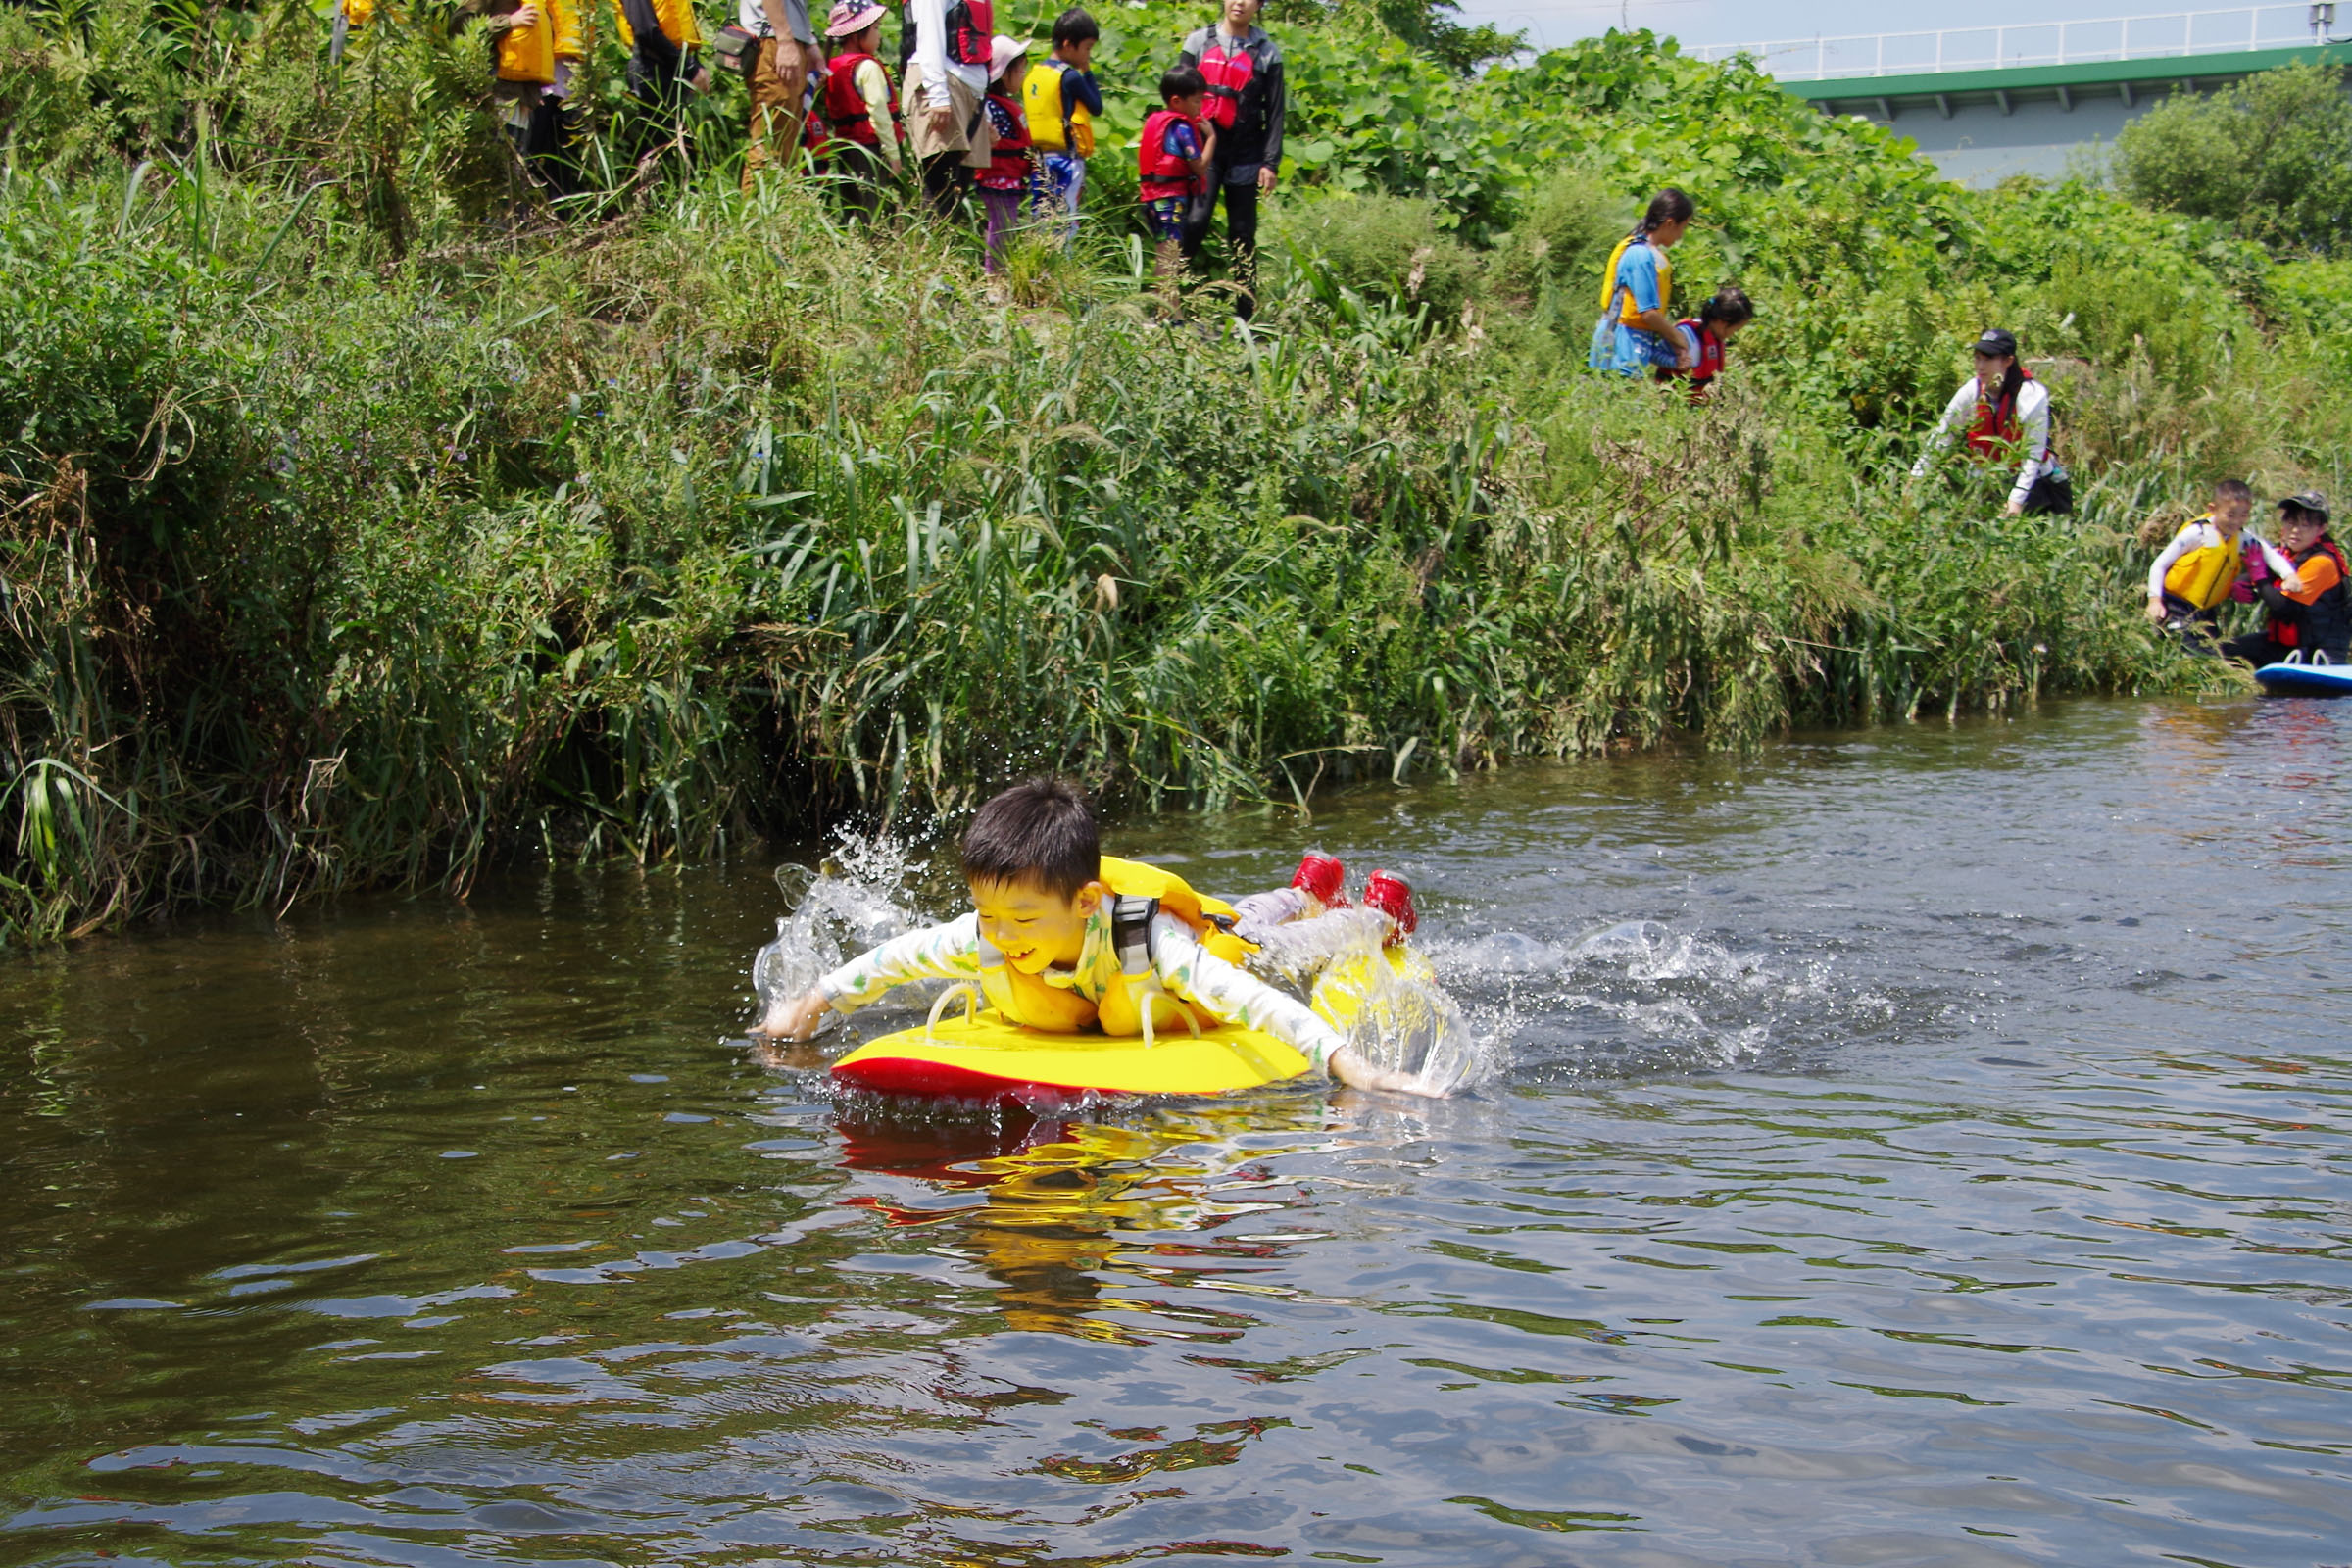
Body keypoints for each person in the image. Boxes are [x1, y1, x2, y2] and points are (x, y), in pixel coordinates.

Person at [755, 779, 1446, 1096]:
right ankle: (1308, 884)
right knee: (1249, 914)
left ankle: (1367, 909)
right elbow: (893, 961)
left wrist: (1350, 1066)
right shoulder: (992, 930)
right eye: (989, 916)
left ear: (1085, 902)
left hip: (1223, 948)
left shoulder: (1152, 942)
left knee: (1268, 934)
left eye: (1022, 920)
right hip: (1128, 978)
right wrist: (811, 1006)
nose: (1000, 934)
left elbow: (1255, 1003)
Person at [1175, 0, 1284, 319]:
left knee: (1242, 233)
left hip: (1246, 152)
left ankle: (1245, 319)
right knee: (1194, 221)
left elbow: (1276, 111)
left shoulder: (1267, 52)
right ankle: (1169, 300)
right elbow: (1176, 99)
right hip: (1203, 149)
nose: (1240, 2)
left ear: (1260, 5)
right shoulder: (1198, 42)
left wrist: (1270, 162)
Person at [1910, 327, 2072, 516]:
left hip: (2032, 481)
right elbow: (1943, 434)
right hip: (1985, 479)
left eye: (1988, 359)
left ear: (2008, 361)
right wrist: (1916, 477)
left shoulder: (2032, 395)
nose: (1980, 366)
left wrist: (2016, 500)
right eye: (1977, 358)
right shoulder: (1972, 390)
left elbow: (2033, 454)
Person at [2220, 493, 2348, 667]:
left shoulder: (2322, 563)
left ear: (2321, 529)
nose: (2296, 530)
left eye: (2306, 525)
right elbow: (2259, 579)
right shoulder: (2284, 554)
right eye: (2291, 522)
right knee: (2221, 651)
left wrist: (2259, 577)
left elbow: (2284, 607)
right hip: (2284, 646)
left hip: (2319, 652)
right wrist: (2239, 585)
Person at [473, 0, 584, 200]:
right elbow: (462, 28)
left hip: (525, 92)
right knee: (501, 167)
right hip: (498, 89)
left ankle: (517, 224)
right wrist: (508, 22)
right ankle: (499, 227)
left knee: (518, 168)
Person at [899, 0, 996, 220]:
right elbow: (929, 37)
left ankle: (945, 250)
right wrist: (938, 96)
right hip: (942, 86)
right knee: (939, 189)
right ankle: (929, 251)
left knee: (959, 188)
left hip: (971, 92)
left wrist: (986, 112)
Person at [1589, 189, 1696, 378]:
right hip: (1617, 354)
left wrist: (1676, 356)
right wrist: (1678, 339)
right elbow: (1649, 314)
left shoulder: (1649, 254)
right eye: (1683, 228)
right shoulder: (1640, 255)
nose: (1681, 235)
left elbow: (1646, 339)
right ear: (1670, 223)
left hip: (1629, 353)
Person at [817, 2, 903, 220]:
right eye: (875, 28)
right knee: (873, 212)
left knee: (852, 212)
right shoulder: (867, 67)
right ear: (856, 35)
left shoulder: (831, 67)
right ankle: (875, 251)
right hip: (870, 150)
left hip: (844, 148)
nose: (879, 35)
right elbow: (879, 113)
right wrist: (893, 154)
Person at [2144, 479, 2256, 645]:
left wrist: (2289, 575)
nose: (2236, 521)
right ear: (2212, 509)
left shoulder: (2240, 537)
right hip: (2176, 605)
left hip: (2206, 612)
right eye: (2231, 515)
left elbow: (2270, 554)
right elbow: (2159, 564)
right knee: (2189, 651)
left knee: (2214, 655)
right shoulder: (2197, 533)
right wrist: (2154, 600)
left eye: (2244, 515)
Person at [1139, 67, 1213, 314]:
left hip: (1152, 197)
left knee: (1164, 252)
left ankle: (1167, 311)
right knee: (1169, 255)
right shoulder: (1181, 128)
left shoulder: (1156, 120)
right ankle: (1170, 314)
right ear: (1176, 101)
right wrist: (1211, 138)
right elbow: (1200, 167)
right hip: (1169, 199)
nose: (1200, 107)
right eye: (1196, 101)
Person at [1024, 9, 1101, 247]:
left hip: (1039, 160)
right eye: (1087, 48)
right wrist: (1087, 70)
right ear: (1069, 45)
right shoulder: (1070, 77)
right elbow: (1096, 106)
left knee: (1042, 218)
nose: (1087, 55)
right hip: (1066, 161)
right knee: (1065, 220)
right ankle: (1061, 270)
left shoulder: (1034, 74)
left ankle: (1040, 266)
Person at [740, 0, 826, 189]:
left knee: (785, 146)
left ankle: (777, 212)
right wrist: (786, 41)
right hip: (773, 41)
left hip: (786, 40)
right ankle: (755, 214)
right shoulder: (780, 39)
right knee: (769, 145)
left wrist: (809, 42)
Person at [975, 37, 1037, 276]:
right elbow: (985, 134)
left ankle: (999, 274)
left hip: (1010, 176)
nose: (1023, 74)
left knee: (1006, 226)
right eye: (1020, 69)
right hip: (998, 177)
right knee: (1002, 228)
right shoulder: (991, 107)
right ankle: (994, 277)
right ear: (1004, 73)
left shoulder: (1003, 105)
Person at [613, 0, 710, 121]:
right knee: (668, 137)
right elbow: (645, 31)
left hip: (673, 62)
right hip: (653, 68)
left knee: (683, 134)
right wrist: (689, 68)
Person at [1658, 285, 1752, 404]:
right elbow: (1654, 353)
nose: (1732, 334)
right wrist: (1674, 362)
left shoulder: (1715, 338)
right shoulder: (1686, 335)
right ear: (1722, 322)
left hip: (1700, 407)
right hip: (1673, 404)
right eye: (1734, 330)